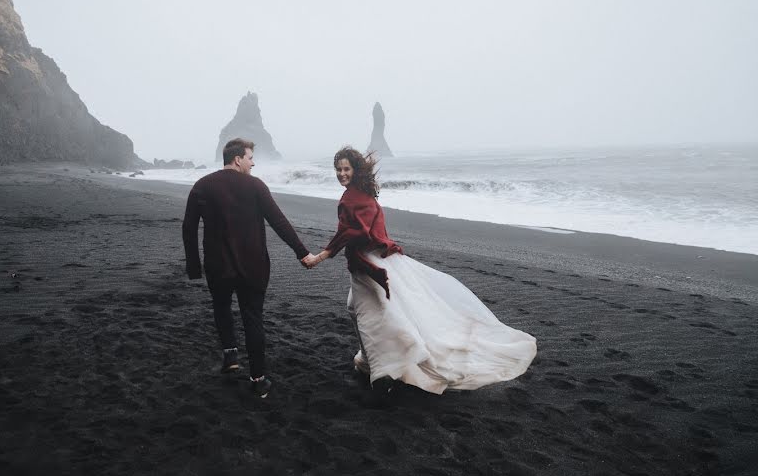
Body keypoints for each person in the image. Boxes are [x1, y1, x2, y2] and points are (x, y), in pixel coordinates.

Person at [304, 147, 536, 396]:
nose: (341, 173)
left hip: (368, 265)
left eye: (346, 169)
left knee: (370, 316)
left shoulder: (351, 198)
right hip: (376, 261)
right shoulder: (363, 193)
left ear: (355, 170)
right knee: (365, 309)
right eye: (338, 169)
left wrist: (322, 255)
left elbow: (354, 232)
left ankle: (382, 377)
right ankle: (374, 362)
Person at [183, 138, 318, 398]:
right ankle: (258, 379)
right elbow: (279, 222)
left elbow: (188, 228)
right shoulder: (255, 186)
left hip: (217, 265)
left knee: (221, 307)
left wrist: (194, 266)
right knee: (252, 317)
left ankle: (230, 355)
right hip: (253, 266)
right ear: (237, 159)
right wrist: (302, 253)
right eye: (251, 157)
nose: (253, 162)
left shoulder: (202, 186)